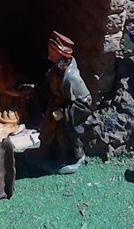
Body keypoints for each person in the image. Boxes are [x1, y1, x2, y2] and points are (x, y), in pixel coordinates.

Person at [32, 31, 92, 174]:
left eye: (52, 53)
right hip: (53, 106)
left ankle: (62, 158)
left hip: (64, 110)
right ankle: (43, 151)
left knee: (62, 136)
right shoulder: (56, 68)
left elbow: (86, 101)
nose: (49, 56)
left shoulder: (72, 77)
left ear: (60, 54)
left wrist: (64, 112)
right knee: (46, 130)